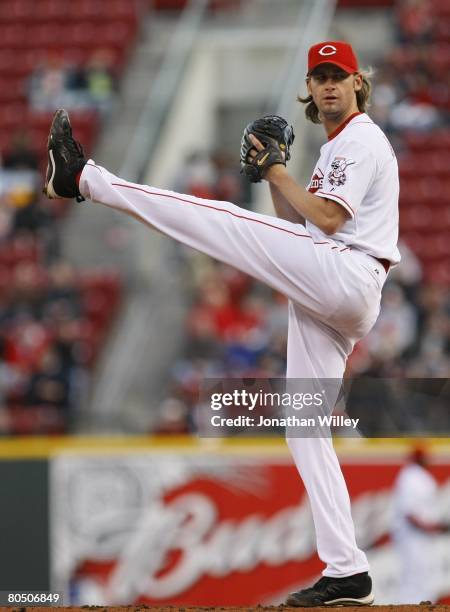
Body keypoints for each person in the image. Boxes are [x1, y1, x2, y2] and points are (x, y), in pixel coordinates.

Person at [44, 40, 400, 607]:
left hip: (347, 274)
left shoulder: (360, 137)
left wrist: (277, 170)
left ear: (359, 82)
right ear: (308, 89)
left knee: (224, 221)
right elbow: (307, 228)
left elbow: (329, 220)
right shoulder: (337, 147)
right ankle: (347, 569)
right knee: (302, 425)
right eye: (320, 76)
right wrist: (273, 178)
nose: (330, 84)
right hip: (336, 285)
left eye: (340, 75)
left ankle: (85, 178)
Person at [391, 446, 449, 603]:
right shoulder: (410, 477)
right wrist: (433, 527)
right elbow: (410, 513)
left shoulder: (419, 476)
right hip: (413, 537)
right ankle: (410, 605)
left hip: (423, 538)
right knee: (414, 575)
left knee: (426, 574)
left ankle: (423, 604)